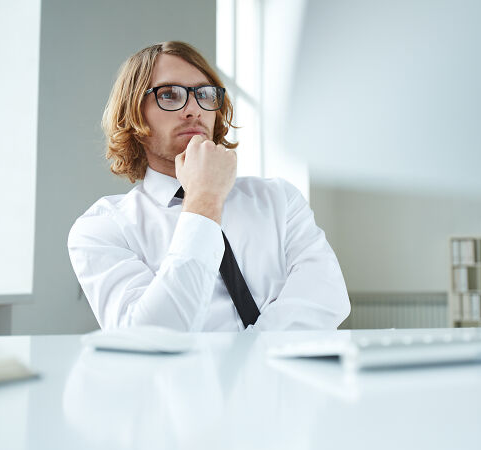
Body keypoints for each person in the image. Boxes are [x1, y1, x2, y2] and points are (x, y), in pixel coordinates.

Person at [67, 41, 349, 331]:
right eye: (170, 95)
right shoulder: (102, 228)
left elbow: (327, 298)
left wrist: (249, 359)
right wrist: (204, 200)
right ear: (133, 115)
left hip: (283, 374)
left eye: (205, 94)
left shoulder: (279, 199)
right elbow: (149, 336)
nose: (194, 110)